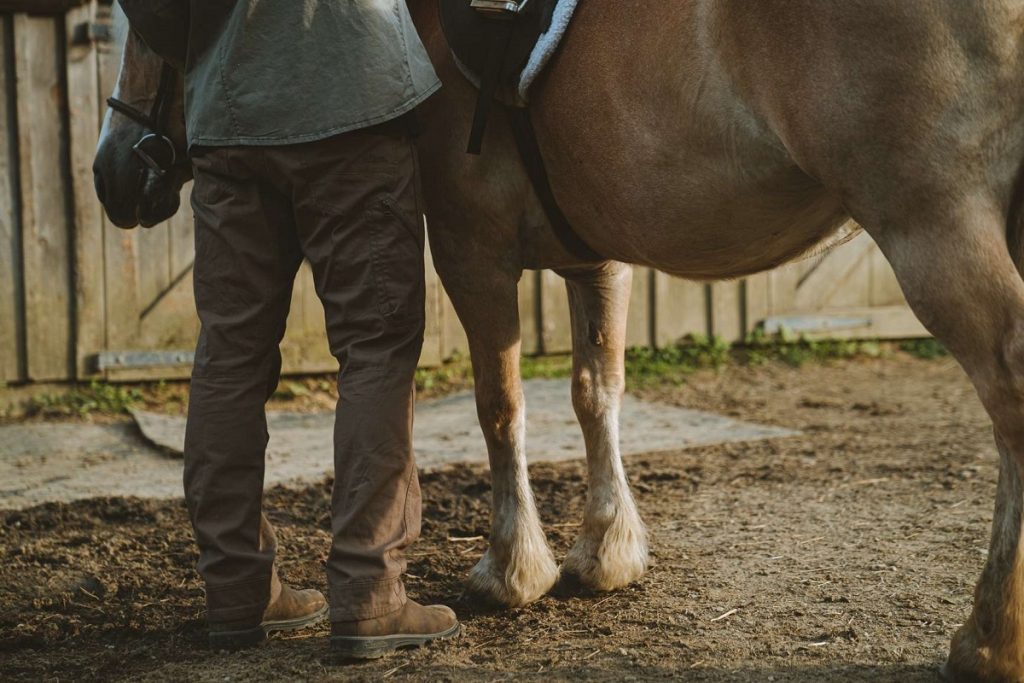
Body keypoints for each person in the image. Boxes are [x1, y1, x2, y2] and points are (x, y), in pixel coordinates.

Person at [116, 0, 459, 658]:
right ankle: (369, 595)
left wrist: (203, 45)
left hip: (231, 110)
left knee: (229, 357)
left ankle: (237, 592)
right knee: (376, 347)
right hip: (354, 97)